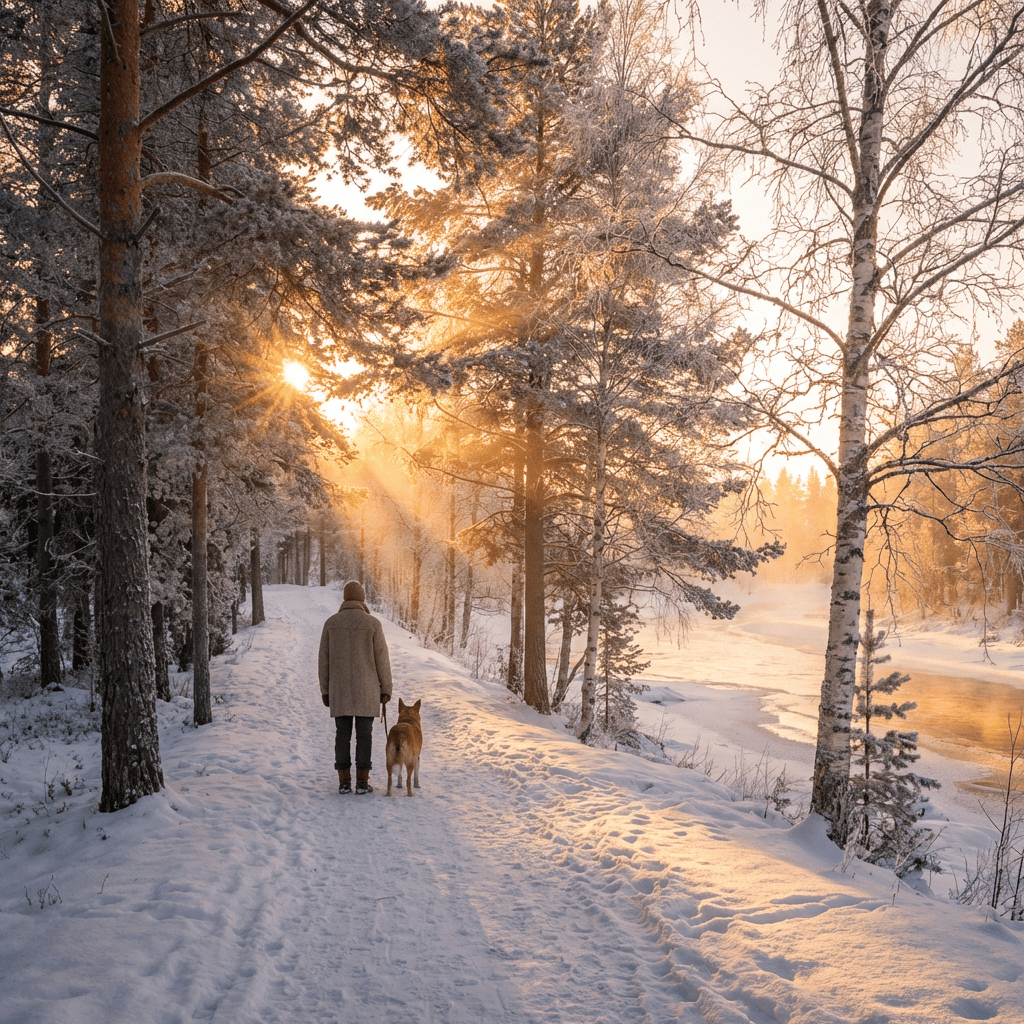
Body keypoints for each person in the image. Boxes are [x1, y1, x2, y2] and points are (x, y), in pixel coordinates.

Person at [318, 581, 392, 794]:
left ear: (344, 597)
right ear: (362, 598)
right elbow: (382, 660)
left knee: (342, 734)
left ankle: (343, 781)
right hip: (366, 690)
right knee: (364, 735)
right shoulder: (373, 624)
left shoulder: (331, 623)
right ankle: (361, 782)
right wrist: (386, 688)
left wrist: (325, 690)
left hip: (339, 690)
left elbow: (324, 660)